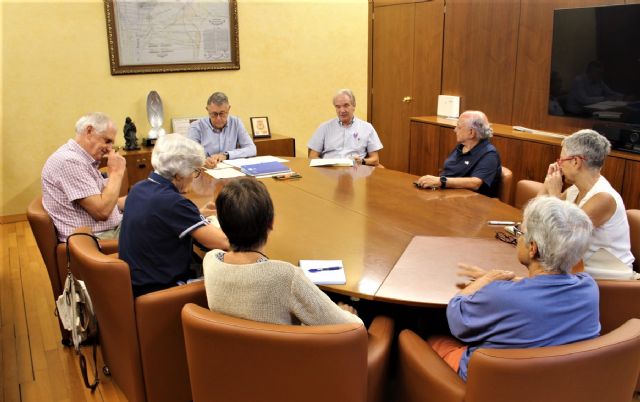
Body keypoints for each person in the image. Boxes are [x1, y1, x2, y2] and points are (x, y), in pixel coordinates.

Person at [432, 196, 600, 382]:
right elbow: (549, 284)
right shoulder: (589, 288)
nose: (518, 237)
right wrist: (506, 279)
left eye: (520, 232)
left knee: (433, 339)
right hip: (559, 383)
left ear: (532, 248)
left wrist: (487, 279)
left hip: (489, 385)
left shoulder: (501, 295)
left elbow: (457, 319)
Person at [203, 177, 361, 325]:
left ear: (221, 225)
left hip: (228, 351)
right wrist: (346, 313)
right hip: (283, 354)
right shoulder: (286, 276)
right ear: (271, 222)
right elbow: (347, 326)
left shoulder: (210, 261)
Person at [119, 134, 229, 297]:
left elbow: (159, 216)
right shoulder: (173, 203)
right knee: (229, 280)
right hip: (163, 292)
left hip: (137, 285)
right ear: (178, 174)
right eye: (195, 171)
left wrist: (195, 214)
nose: (194, 176)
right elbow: (223, 242)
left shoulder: (139, 188)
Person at [539, 129, 635, 278]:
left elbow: (559, 238)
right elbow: (535, 218)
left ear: (576, 162)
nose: (558, 165)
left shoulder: (604, 198)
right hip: (580, 267)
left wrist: (553, 195)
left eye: (561, 160)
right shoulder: (575, 190)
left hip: (608, 277)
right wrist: (547, 182)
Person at [42, 112, 126, 242]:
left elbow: (103, 201)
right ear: (89, 131)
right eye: (107, 141)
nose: (110, 149)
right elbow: (102, 212)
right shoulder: (69, 162)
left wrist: (136, 200)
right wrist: (116, 173)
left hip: (106, 230)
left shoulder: (81, 159)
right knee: (159, 228)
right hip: (94, 239)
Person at [416, 110, 502, 197]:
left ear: (471, 132)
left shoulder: (489, 154)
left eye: (459, 127)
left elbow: (475, 183)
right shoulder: (461, 147)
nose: (455, 130)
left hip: (470, 203)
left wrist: (441, 181)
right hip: (446, 194)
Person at [307, 89, 383, 166]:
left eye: (346, 105)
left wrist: (362, 161)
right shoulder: (324, 127)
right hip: (329, 171)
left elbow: (375, 159)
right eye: (338, 107)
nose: (342, 110)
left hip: (355, 171)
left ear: (354, 106)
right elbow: (312, 156)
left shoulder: (367, 128)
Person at [187, 92, 256, 168]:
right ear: (207, 110)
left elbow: (252, 149)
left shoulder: (236, 122)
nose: (218, 118)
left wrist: (226, 155)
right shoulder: (196, 126)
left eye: (222, 113)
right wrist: (203, 161)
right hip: (205, 171)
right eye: (214, 114)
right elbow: (189, 155)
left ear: (228, 109)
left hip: (231, 171)